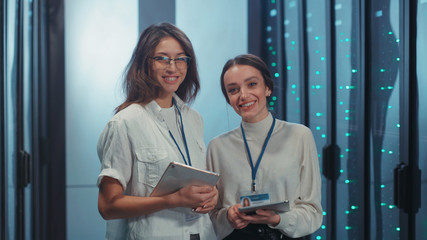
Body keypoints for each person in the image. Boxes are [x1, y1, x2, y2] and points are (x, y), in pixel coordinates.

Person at [97, 22, 218, 240]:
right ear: (145, 64)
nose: (173, 68)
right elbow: (107, 206)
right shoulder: (125, 122)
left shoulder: (194, 119)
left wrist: (210, 196)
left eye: (181, 58)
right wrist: (172, 200)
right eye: (162, 58)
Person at [207, 54, 322, 240]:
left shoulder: (300, 136)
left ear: (268, 88)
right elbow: (210, 217)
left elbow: (313, 212)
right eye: (233, 89)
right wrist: (228, 217)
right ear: (228, 98)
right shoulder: (217, 147)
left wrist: (278, 219)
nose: (243, 95)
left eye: (252, 84)